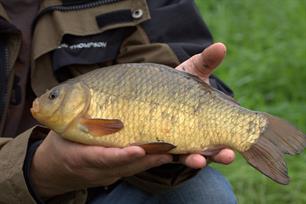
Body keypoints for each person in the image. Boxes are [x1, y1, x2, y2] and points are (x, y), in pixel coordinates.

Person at [0, 0, 237, 203]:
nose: (48, 101)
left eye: (54, 97)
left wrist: (193, 112)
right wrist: (37, 171)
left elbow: (172, 60)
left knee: (204, 192)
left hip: (113, 185)